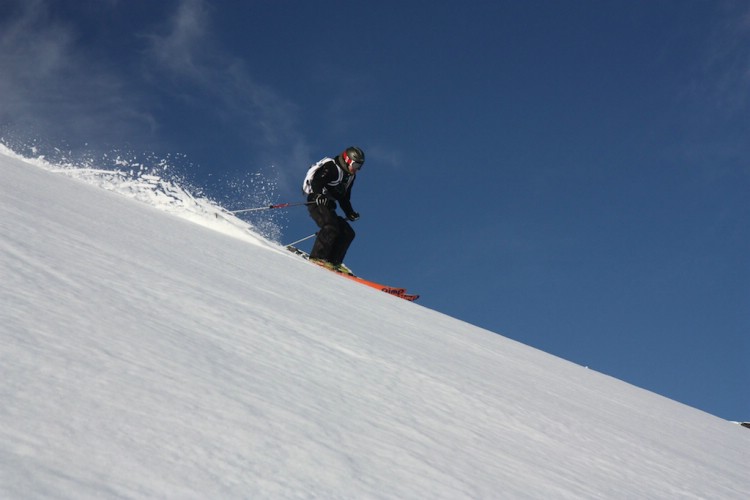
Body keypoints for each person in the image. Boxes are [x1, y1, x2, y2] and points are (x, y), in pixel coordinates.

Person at [302, 146, 365, 268]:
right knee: (330, 227)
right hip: (316, 202)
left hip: (329, 205)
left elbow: (344, 198)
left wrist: (350, 212)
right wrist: (318, 194)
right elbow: (316, 182)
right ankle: (317, 257)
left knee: (348, 232)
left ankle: (334, 262)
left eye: (359, 167)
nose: (357, 169)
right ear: (348, 160)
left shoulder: (350, 176)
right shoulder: (332, 167)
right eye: (356, 165)